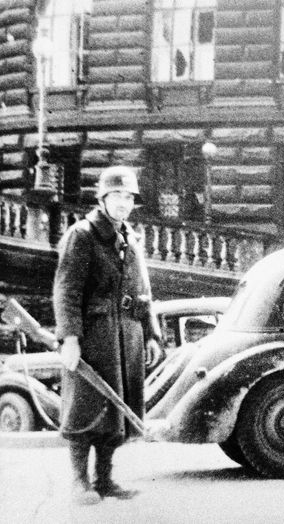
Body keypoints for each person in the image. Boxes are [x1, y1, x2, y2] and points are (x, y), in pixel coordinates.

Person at [53, 166, 162, 505]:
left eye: (129, 197)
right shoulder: (82, 235)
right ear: (102, 198)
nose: (124, 203)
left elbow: (144, 292)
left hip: (127, 334)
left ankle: (105, 480)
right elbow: (66, 291)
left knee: (118, 410)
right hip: (94, 336)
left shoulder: (131, 239)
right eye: (117, 195)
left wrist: (152, 335)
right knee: (86, 408)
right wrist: (69, 338)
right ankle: (78, 482)